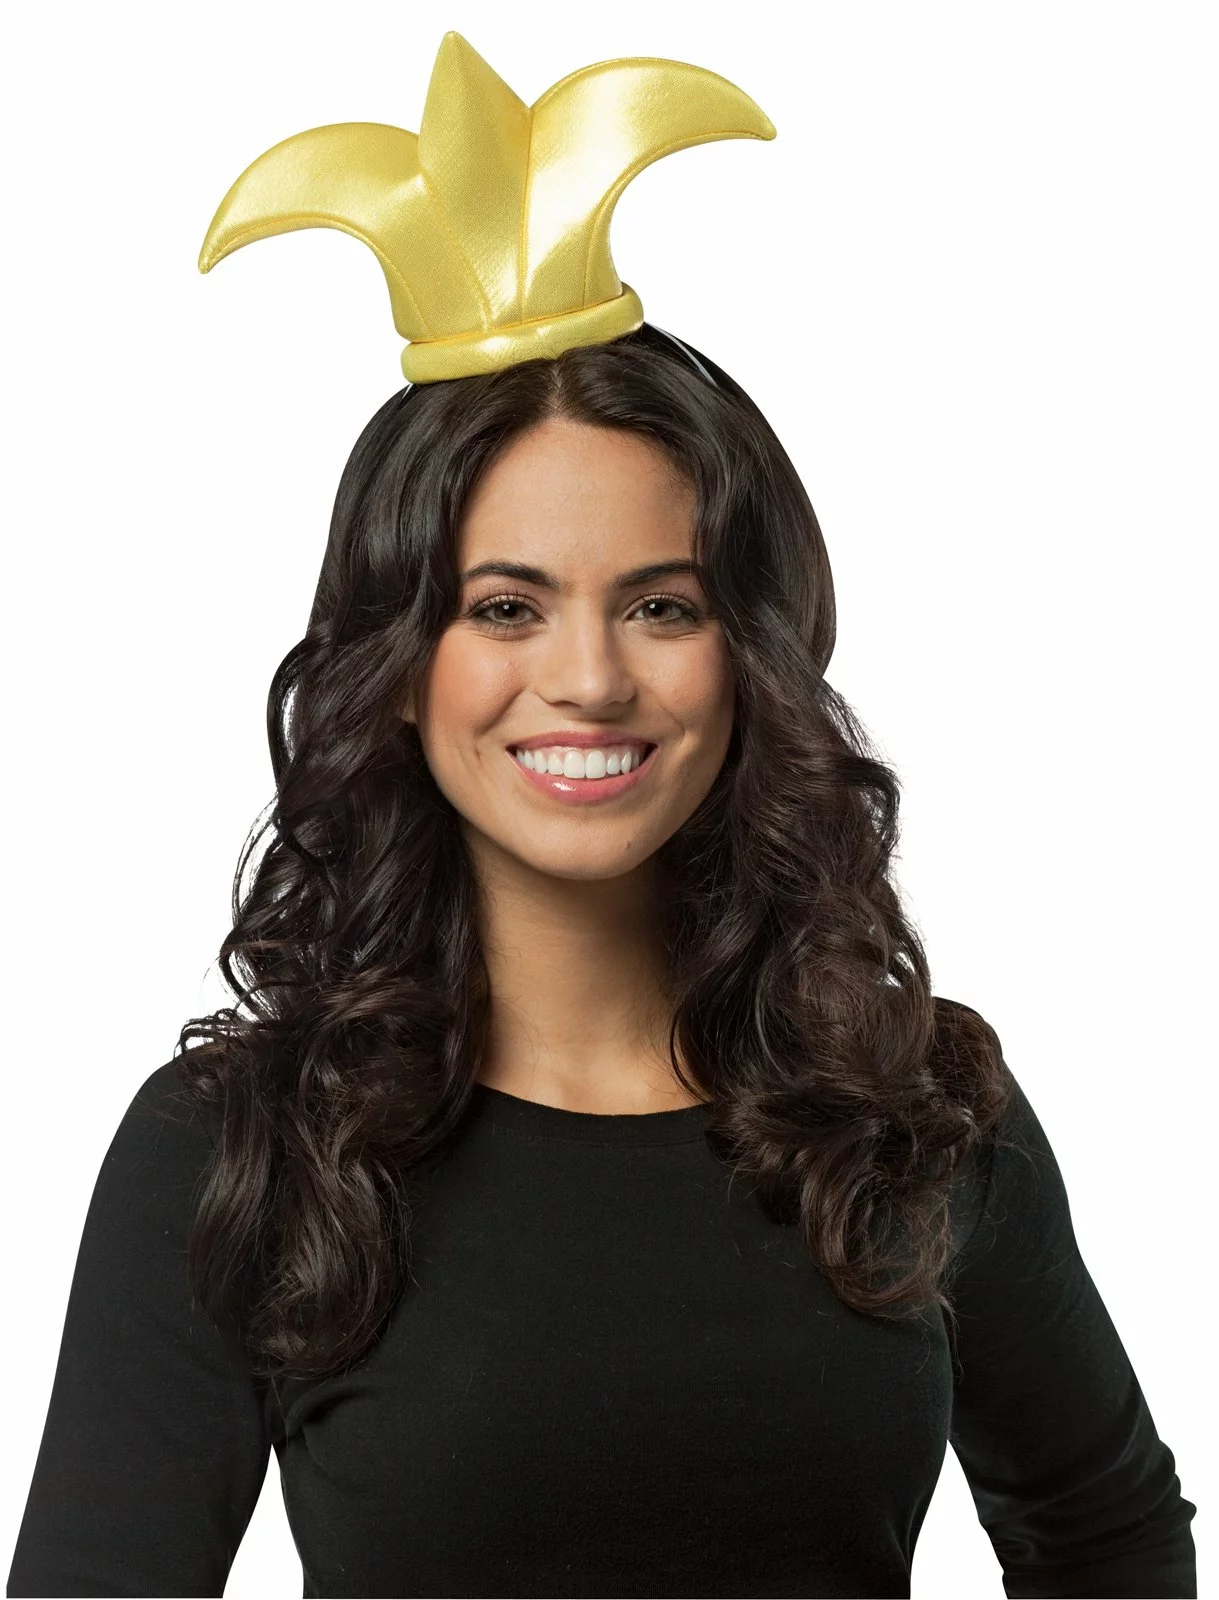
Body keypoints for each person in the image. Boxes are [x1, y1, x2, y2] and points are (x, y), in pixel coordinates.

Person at [6, 31, 1197, 1600]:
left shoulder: (909, 1109)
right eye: (504, 606)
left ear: (745, 653)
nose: (586, 680)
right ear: (399, 662)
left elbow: (1107, 1537)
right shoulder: (241, 1148)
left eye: (659, 605)